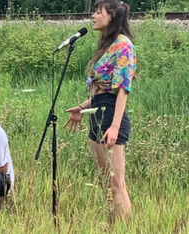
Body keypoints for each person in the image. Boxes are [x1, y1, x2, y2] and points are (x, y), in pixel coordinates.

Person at [64, 0, 137, 224]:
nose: (93, 16)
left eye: (98, 12)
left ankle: (124, 227)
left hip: (111, 114)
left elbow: (122, 89)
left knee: (117, 183)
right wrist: (83, 107)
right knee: (106, 181)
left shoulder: (124, 45)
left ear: (112, 16)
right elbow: (103, 89)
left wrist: (114, 126)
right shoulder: (107, 43)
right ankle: (111, 223)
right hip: (98, 110)